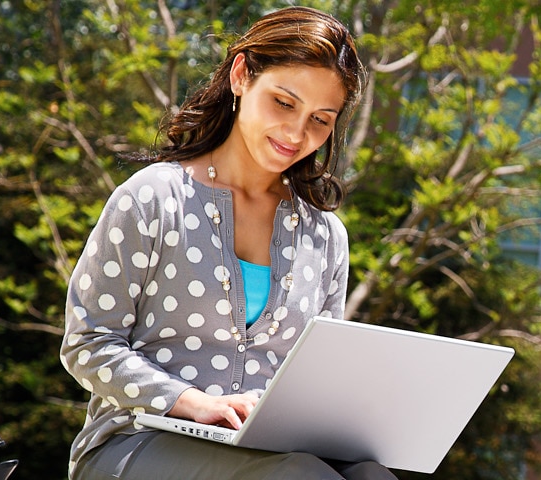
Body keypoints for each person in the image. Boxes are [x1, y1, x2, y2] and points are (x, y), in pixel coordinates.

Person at [58, 7, 391, 479]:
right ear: (241, 76)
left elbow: (317, 381)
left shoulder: (325, 236)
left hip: (273, 451)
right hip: (137, 442)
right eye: (283, 102)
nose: (297, 134)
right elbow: (88, 343)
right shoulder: (155, 197)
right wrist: (192, 403)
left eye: (320, 119)